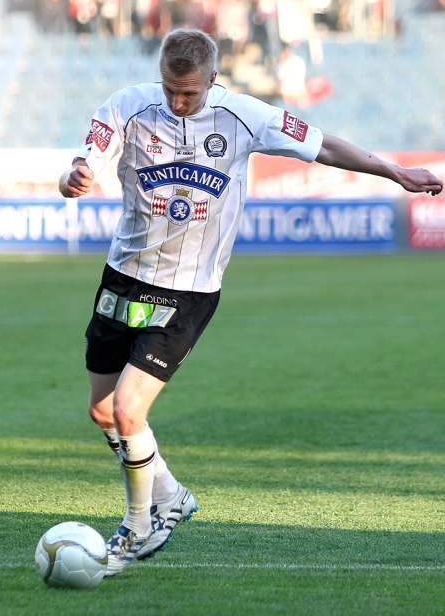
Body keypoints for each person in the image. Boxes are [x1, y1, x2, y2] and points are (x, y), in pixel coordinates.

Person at [59, 28, 443, 578]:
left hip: (187, 289)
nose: (177, 101)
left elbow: (324, 143)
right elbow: (83, 163)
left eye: (189, 92)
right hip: (122, 277)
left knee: (127, 410)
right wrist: (73, 179)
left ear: (213, 80)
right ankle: (171, 495)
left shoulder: (244, 116)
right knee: (102, 411)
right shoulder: (126, 106)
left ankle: (139, 524)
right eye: (170, 88)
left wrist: (392, 170)